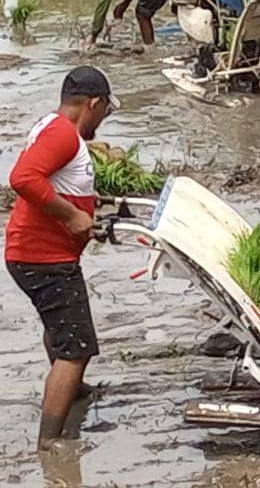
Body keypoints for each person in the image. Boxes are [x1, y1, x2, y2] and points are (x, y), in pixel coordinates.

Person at [5, 66, 118, 451]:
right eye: (105, 110)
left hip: (33, 253)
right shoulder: (62, 136)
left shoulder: (54, 127)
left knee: (61, 326)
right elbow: (22, 178)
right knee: (76, 349)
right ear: (94, 103)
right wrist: (71, 215)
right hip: (43, 257)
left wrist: (84, 201)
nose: (103, 119)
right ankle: (51, 442)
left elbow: (52, 180)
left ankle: (76, 392)